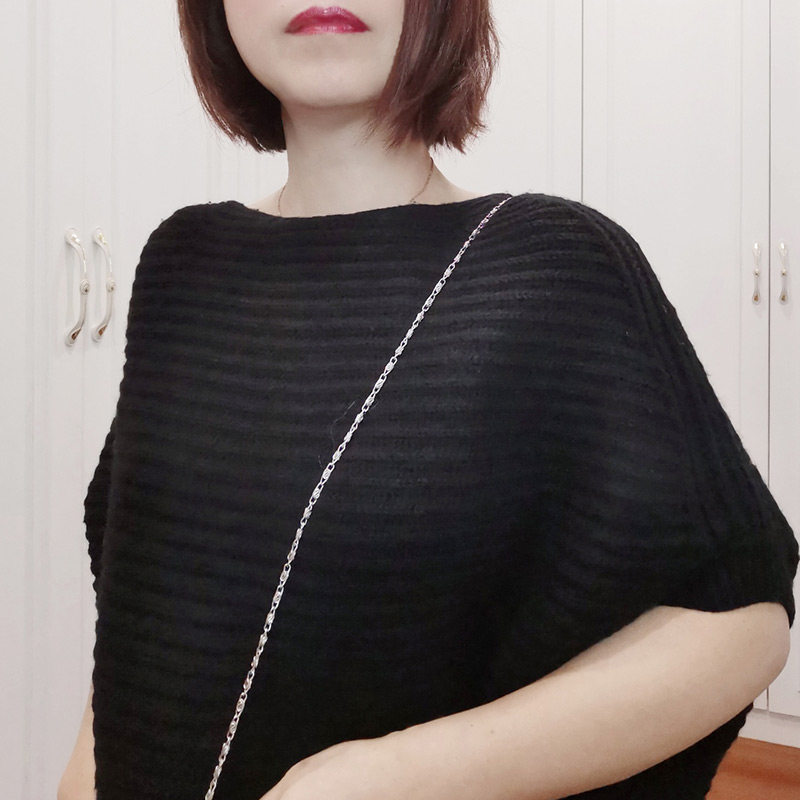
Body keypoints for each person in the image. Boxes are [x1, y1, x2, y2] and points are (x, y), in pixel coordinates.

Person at [59, 2, 799, 799]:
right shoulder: (183, 263)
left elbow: (738, 625)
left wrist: (389, 777)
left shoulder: (554, 264)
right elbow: (142, 600)